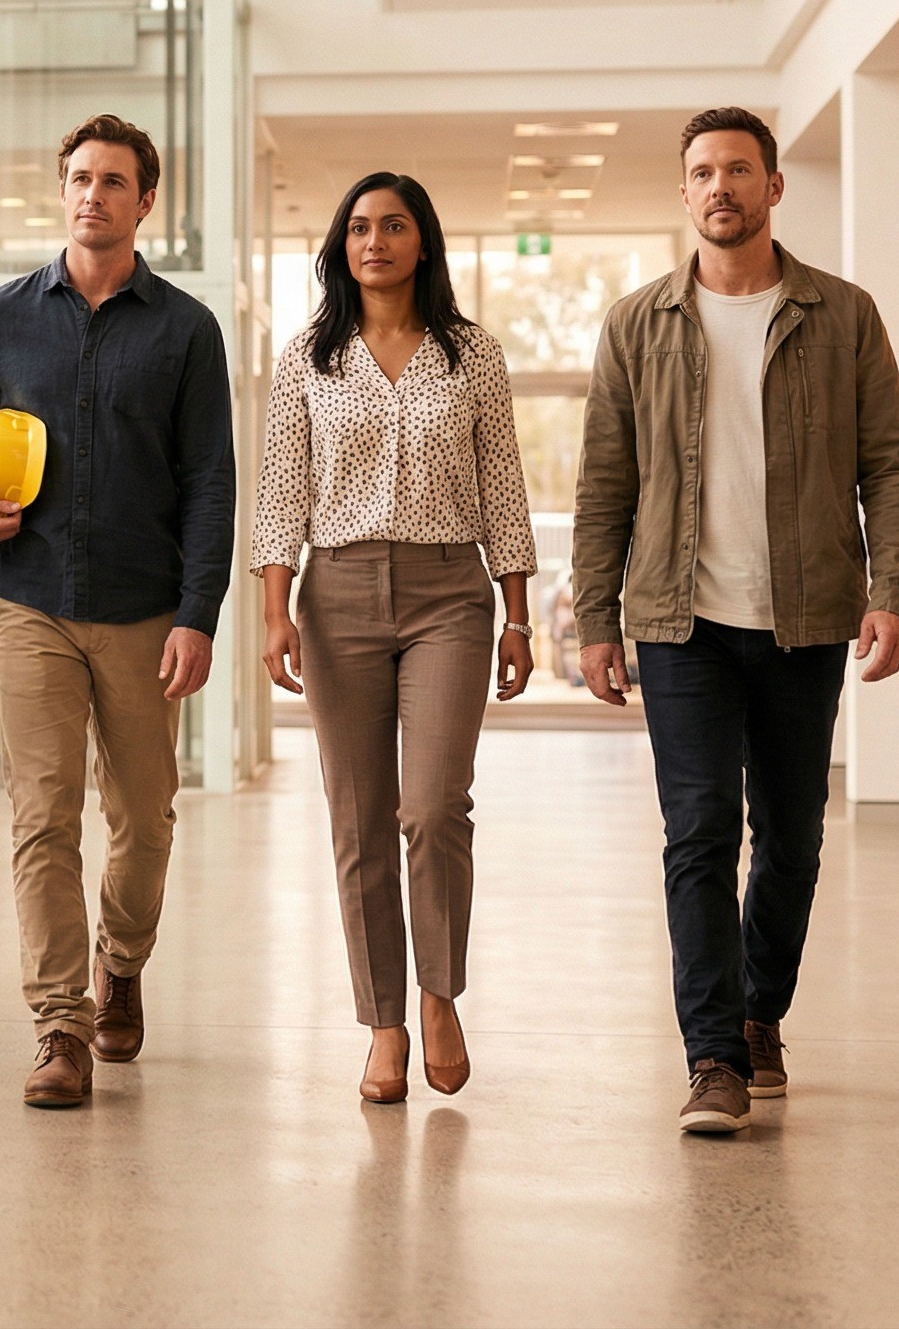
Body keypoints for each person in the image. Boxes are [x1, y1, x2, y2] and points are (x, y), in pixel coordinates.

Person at [573, 106, 899, 1136]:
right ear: (683, 194)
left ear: (774, 187)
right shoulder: (639, 323)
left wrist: (893, 588)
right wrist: (595, 619)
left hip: (806, 616)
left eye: (738, 168)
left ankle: (762, 1007)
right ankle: (715, 1055)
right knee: (698, 835)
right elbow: (604, 482)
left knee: (793, 839)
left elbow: (891, 465)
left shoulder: (844, 315)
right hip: (679, 623)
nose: (720, 185)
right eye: (701, 171)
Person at [0, 113, 234, 1109]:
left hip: (143, 610)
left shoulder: (185, 328)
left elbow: (211, 481)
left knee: (145, 820)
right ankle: (60, 1025)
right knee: (43, 817)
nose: (93, 194)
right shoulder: (3, 316)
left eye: (113, 181)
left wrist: (198, 613)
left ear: (146, 201)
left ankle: (120, 957)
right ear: (64, 193)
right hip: (31, 607)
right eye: (79, 178)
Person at [251, 172, 536, 1105]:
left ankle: (440, 992)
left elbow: (504, 483)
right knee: (359, 820)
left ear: (424, 243)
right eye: (360, 227)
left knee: (432, 808)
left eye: (395, 225)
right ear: (341, 245)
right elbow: (282, 488)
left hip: (451, 593)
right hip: (336, 596)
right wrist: (274, 608)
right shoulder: (308, 360)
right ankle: (383, 1023)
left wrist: (519, 613)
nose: (375, 240)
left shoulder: (472, 354)